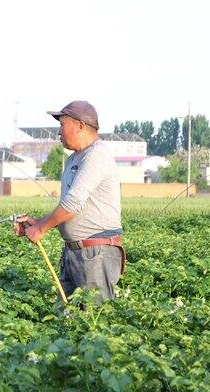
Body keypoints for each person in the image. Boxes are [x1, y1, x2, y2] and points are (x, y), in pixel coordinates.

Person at [16, 100, 125, 302]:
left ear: (80, 125)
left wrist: (41, 229)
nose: (59, 132)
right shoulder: (76, 157)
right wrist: (38, 222)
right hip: (76, 252)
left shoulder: (97, 155)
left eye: (62, 125)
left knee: (94, 321)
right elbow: (69, 207)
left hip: (95, 253)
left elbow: (73, 204)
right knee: (66, 319)